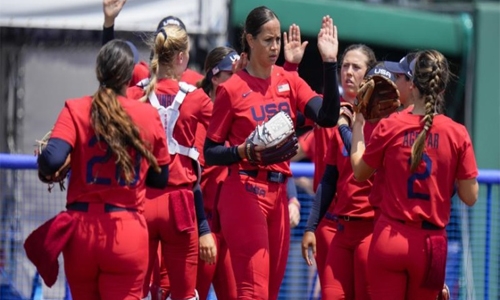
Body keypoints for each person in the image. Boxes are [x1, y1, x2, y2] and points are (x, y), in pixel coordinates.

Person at [203, 6, 341, 299]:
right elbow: (211, 151)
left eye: (277, 39)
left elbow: (327, 117)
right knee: (253, 291)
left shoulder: (287, 80)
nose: (275, 46)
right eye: (267, 40)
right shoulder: (231, 89)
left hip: (278, 195)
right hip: (242, 190)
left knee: (269, 293)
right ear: (250, 40)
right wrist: (241, 151)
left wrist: (329, 62)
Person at [36, 39, 171, 300]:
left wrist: (54, 166)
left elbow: (52, 160)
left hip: (82, 232)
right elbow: (160, 178)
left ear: (99, 72)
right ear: (130, 74)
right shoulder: (146, 114)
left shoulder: (76, 108)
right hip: (126, 229)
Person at [350, 49, 479, 299]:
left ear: (413, 84)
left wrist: (357, 125)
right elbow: (470, 196)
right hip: (431, 244)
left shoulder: (391, 125)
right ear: (441, 88)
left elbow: (360, 172)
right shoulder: (457, 133)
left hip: (390, 237)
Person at [127, 23, 214, 300]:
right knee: (185, 292)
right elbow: (230, 126)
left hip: (142, 199)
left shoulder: (134, 94)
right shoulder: (197, 98)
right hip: (179, 201)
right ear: (180, 58)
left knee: (135, 291)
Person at [301, 44, 377, 295]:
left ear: (370, 73)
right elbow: (329, 177)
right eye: (345, 66)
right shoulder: (334, 112)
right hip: (336, 225)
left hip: (371, 228)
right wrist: (311, 226)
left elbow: (365, 163)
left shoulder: (383, 122)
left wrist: (345, 128)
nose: (349, 72)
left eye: (357, 67)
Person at [102, 0, 203, 86]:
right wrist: (109, 22)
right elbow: (111, 70)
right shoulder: (141, 74)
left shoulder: (197, 81)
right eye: (165, 42)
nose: (169, 49)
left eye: (175, 45)